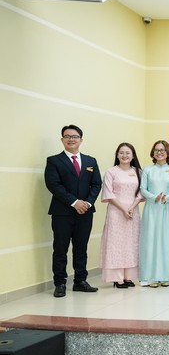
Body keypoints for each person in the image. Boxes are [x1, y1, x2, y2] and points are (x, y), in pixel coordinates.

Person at [44, 125, 102, 298]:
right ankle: (60, 283)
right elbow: (53, 184)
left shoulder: (91, 161)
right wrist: (74, 202)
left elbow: (96, 184)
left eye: (75, 136)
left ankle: (80, 281)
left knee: (81, 248)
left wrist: (88, 203)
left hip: (85, 212)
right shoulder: (54, 161)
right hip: (62, 212)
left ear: (81, 140)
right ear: (62, 140)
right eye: (67, 136)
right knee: (60, 248)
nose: (71, 139)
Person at [99, 142, 143, 288]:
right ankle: (117, 278)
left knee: (131, 243)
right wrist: (124, 209)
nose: (125, 155)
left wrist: (132, 207)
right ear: (117, 155)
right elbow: (108, 193)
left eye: (128, 153)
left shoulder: (138, 172)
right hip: (116, 212)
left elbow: (141, 192)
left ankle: (129, 277)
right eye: (121, 152)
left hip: (133, 211)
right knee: (115, 244)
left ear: (133, 156)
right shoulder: (111, 172)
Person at [139, 140, 169, 287]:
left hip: (167, 208)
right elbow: (143, 189)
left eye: (162, 150)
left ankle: (167, 276)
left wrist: (166, 198)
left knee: (166, 240)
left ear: (167, 152)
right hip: (151, 208)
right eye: (156, 150)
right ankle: (150, 277)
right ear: (153, 153)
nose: (159, 152)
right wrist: (154, 197)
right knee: (150, 239)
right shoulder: (147, 170)